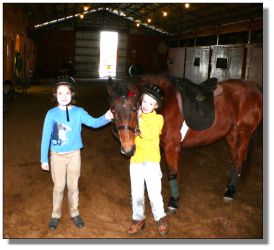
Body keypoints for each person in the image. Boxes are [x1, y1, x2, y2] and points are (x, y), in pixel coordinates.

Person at [40, 75, 113, 230]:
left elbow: (94, 123)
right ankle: (55, 214)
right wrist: (43, 158)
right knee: (59, 186)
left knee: (73, 186)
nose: (64, 96)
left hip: (74, 155)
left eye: (67, 93)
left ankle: (74, 212)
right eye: (60, 93)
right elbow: (45, 136)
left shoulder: (79, 112)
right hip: (57, 156)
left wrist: (106, 117)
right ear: (55, 95)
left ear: (72, 94)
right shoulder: (51, 114)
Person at [127, 84, 168, 235]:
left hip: (151, 162)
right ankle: (138, 218)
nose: (146, 105)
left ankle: (160, 218)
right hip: (136, 160)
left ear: (156, 105)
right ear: (140, 101)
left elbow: (150, 134)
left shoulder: (158, 119)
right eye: (144, 101)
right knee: (136, 193)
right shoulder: (135, 116)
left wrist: (139, 119)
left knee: (154, 192)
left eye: (151, 103)